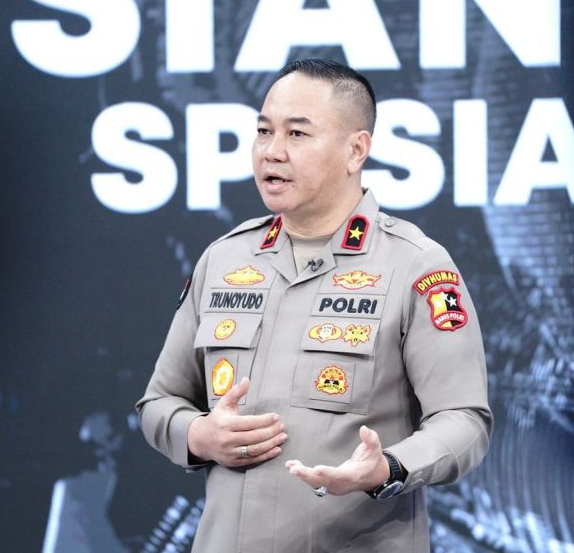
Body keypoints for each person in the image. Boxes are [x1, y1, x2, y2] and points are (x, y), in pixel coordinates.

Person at [136, 58, 492, 552]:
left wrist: (390, 467)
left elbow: (465, 419)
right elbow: (159, 403)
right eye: (264, 131)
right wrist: (198, 435)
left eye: (297, 134)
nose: (272, 152)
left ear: (356, 150)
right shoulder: (224, 259)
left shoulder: (415, 264)